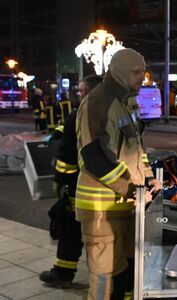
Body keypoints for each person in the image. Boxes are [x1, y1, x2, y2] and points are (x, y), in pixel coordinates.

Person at [75, 49, 159, 300]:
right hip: (101, 207)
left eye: (142, 72)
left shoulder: (125, 102)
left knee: (121, 272)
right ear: (119, 71)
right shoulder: (99, 102)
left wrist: (148, 177)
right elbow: (94, 158)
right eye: (135, 72)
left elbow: (135, 148)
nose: (141, 78)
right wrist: (133, 189)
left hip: (123, 205)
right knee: (103, 278)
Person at [39, 75, 103, 288]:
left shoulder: (78, 115)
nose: (79, 93)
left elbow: (67, 158)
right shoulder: (111, 113)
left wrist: (61, 182)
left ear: (91, 93)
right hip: (103, 187)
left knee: (70, 229)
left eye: (82, 90)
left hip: (77, 186)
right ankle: (103, 275)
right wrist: (58, 131)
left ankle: (63, 274)